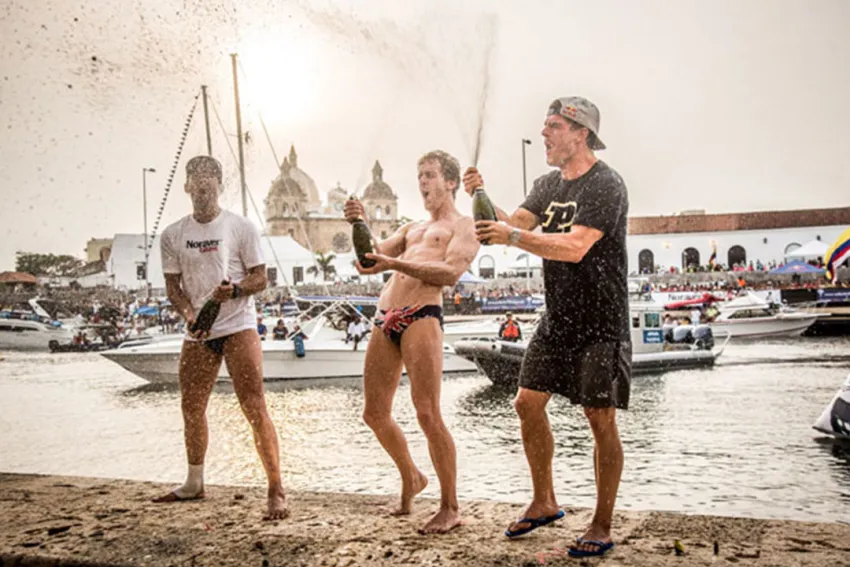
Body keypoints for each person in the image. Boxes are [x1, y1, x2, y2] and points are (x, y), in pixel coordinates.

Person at [463, 97, 630, 558]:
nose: (544, 135)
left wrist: (513, 237)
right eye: (544, 127)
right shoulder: (546, 184)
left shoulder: (606, 184)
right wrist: (481, 196)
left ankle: (601, 522)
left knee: (599, 419)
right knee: (526, 403)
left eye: (553, 127)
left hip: (601, 321)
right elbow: (513, 223)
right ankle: (544, 501)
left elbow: (575, 247)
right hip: (558, 319)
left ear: (580, 133)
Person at [344, 150, 480, 534]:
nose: (423, 182)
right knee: (374, 413)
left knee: (427, 413)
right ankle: (412, 477)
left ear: (450, 181)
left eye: (430, 175)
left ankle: (450, 506)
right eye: (419, 175)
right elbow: (369, 260)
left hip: (422, 316)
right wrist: (360, 223)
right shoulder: (411, 227)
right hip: (385, 316)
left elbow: (450, 272)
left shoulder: (464, 224)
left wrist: (397, 265)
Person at [154, 155, 288, 521]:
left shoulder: (240, 227)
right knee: (191, 406)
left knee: (254, 406)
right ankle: (194, 483)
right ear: (187, 187)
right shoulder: (173, 234)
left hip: (237, 326)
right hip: (199, 329)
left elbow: (261, 278)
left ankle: (276, 489)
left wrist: (236, 290)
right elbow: (172, 286)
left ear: (219, 186)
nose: (203, 190)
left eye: (209, 184)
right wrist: (189, 313)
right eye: (197, 185)